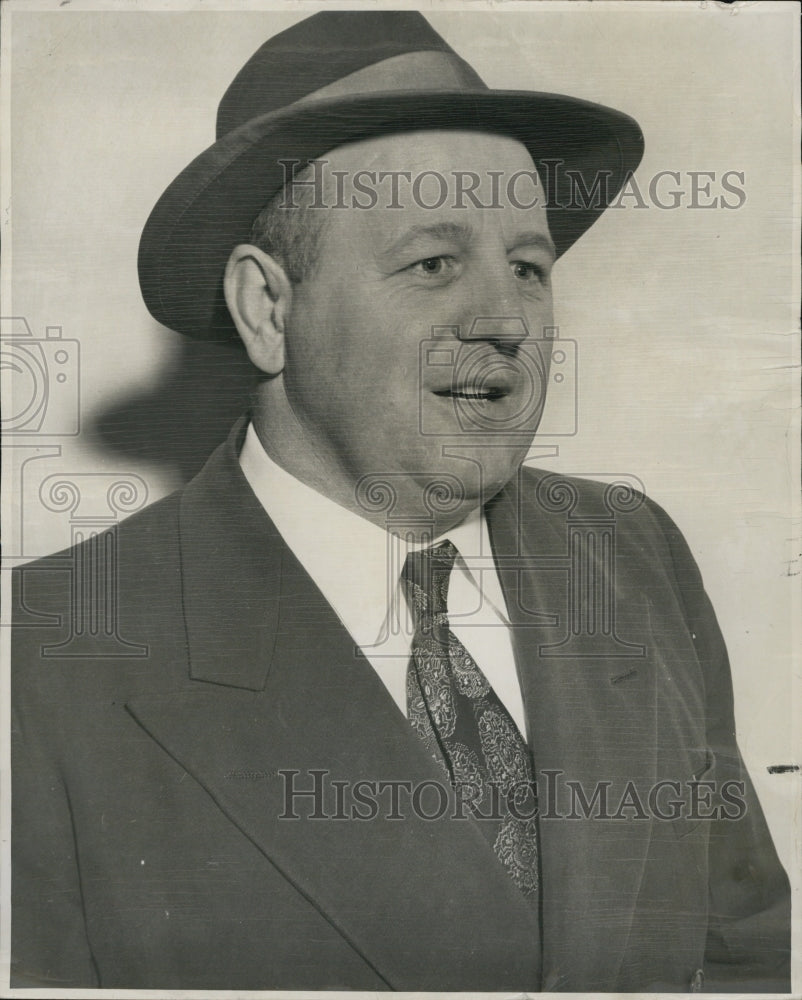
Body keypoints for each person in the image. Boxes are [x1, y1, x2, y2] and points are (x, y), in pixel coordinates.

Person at [11, 10, 790, 993]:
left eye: (527, 267)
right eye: (432, 263)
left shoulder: (633, 554)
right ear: (268, 307)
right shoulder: (46, 658)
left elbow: (749, 953)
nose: (506, 320)